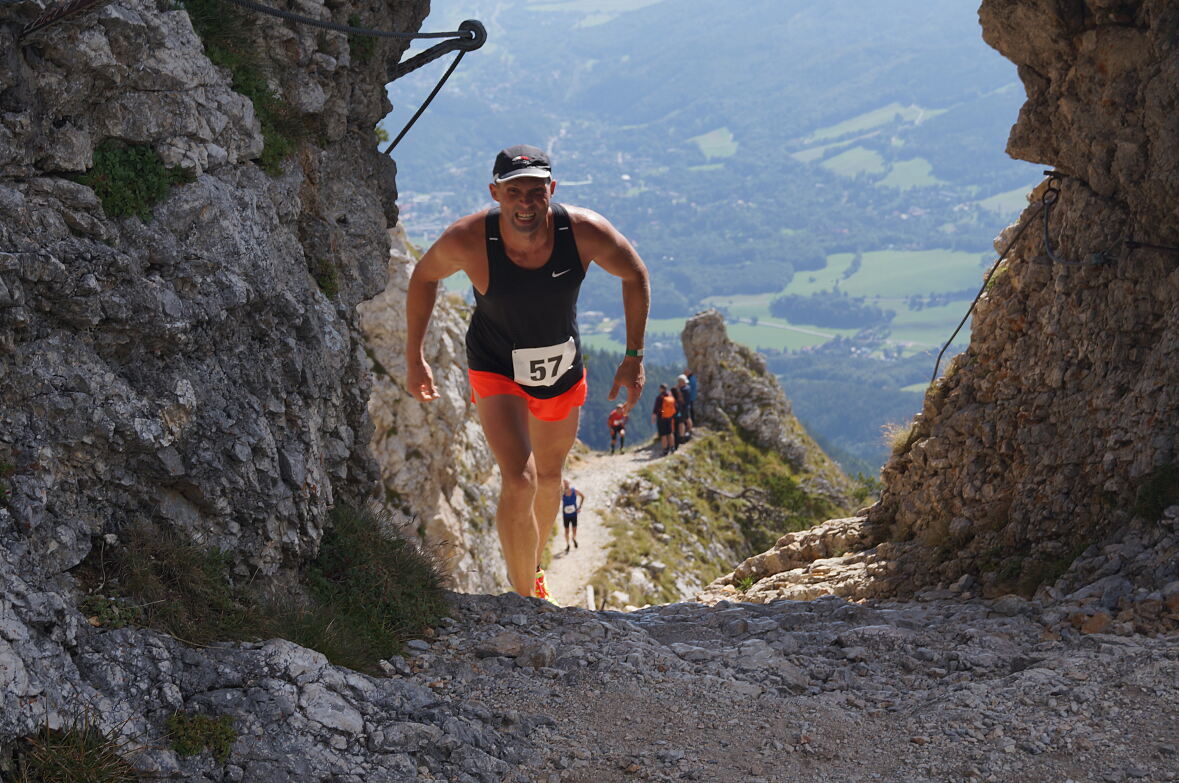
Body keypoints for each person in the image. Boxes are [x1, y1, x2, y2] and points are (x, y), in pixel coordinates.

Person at [405, 144, 650, 599]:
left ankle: (532, 567)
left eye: (536, 192)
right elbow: (423, 276)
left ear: (551, 190)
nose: (525, 202)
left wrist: (633, 356)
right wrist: (414, 355)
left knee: (551, 478)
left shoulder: (582, 232)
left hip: (561, 369)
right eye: (514, 191)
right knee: (520, 478)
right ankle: (526, 600)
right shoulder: (468, 240)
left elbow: (634, 274)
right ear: (495, 193)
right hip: (497, 369)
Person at [560, 479, 584, 553]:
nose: (566, 485)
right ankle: (568, 545)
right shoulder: (561, 493)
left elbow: (583, 496)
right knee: (566, 531)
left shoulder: (574, 491)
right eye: (564, 484)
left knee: (574, 530)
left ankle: (574, 539)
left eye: (566, 483)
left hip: (574, 515)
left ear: (569, 484)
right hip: (566, 515)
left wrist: (579, 507)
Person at [652, 384, 676, 456]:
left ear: (661, 389)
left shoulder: (660, 397)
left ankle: (665, 450)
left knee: (663, 435)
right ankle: (672, 448)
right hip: (669, 417)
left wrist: (654, 417)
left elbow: (656, 409)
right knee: (670, 432)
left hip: (662, 417)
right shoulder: (670, 396)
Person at [676, 372, 695, 440]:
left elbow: (681, 399)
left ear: (681, 381)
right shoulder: (688, 387)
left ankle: (681, 436)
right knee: (688, 418)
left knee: (681, 422)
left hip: (683, 408)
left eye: (679, 381)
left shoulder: (683, 390)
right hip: (687, 406)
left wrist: (678, 390)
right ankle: (690, 430)